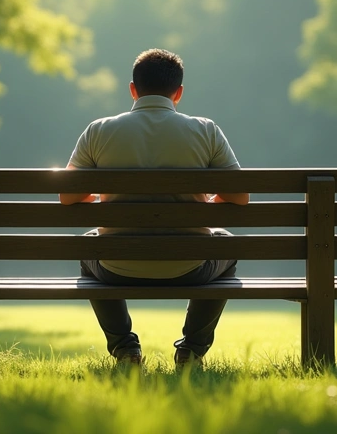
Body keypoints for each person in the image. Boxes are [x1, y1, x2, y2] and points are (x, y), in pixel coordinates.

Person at [61, 48, 248, 369]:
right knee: (227, 243)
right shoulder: (206, 130)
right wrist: (204, 205)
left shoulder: (99, 130)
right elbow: (239, 197)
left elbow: (67, 198)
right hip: (190, 268)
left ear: (133, 89)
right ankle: (192, 348)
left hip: (115, 268)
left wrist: (105, 201)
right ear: (178, 93)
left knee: (87, 245)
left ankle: (124, 348)